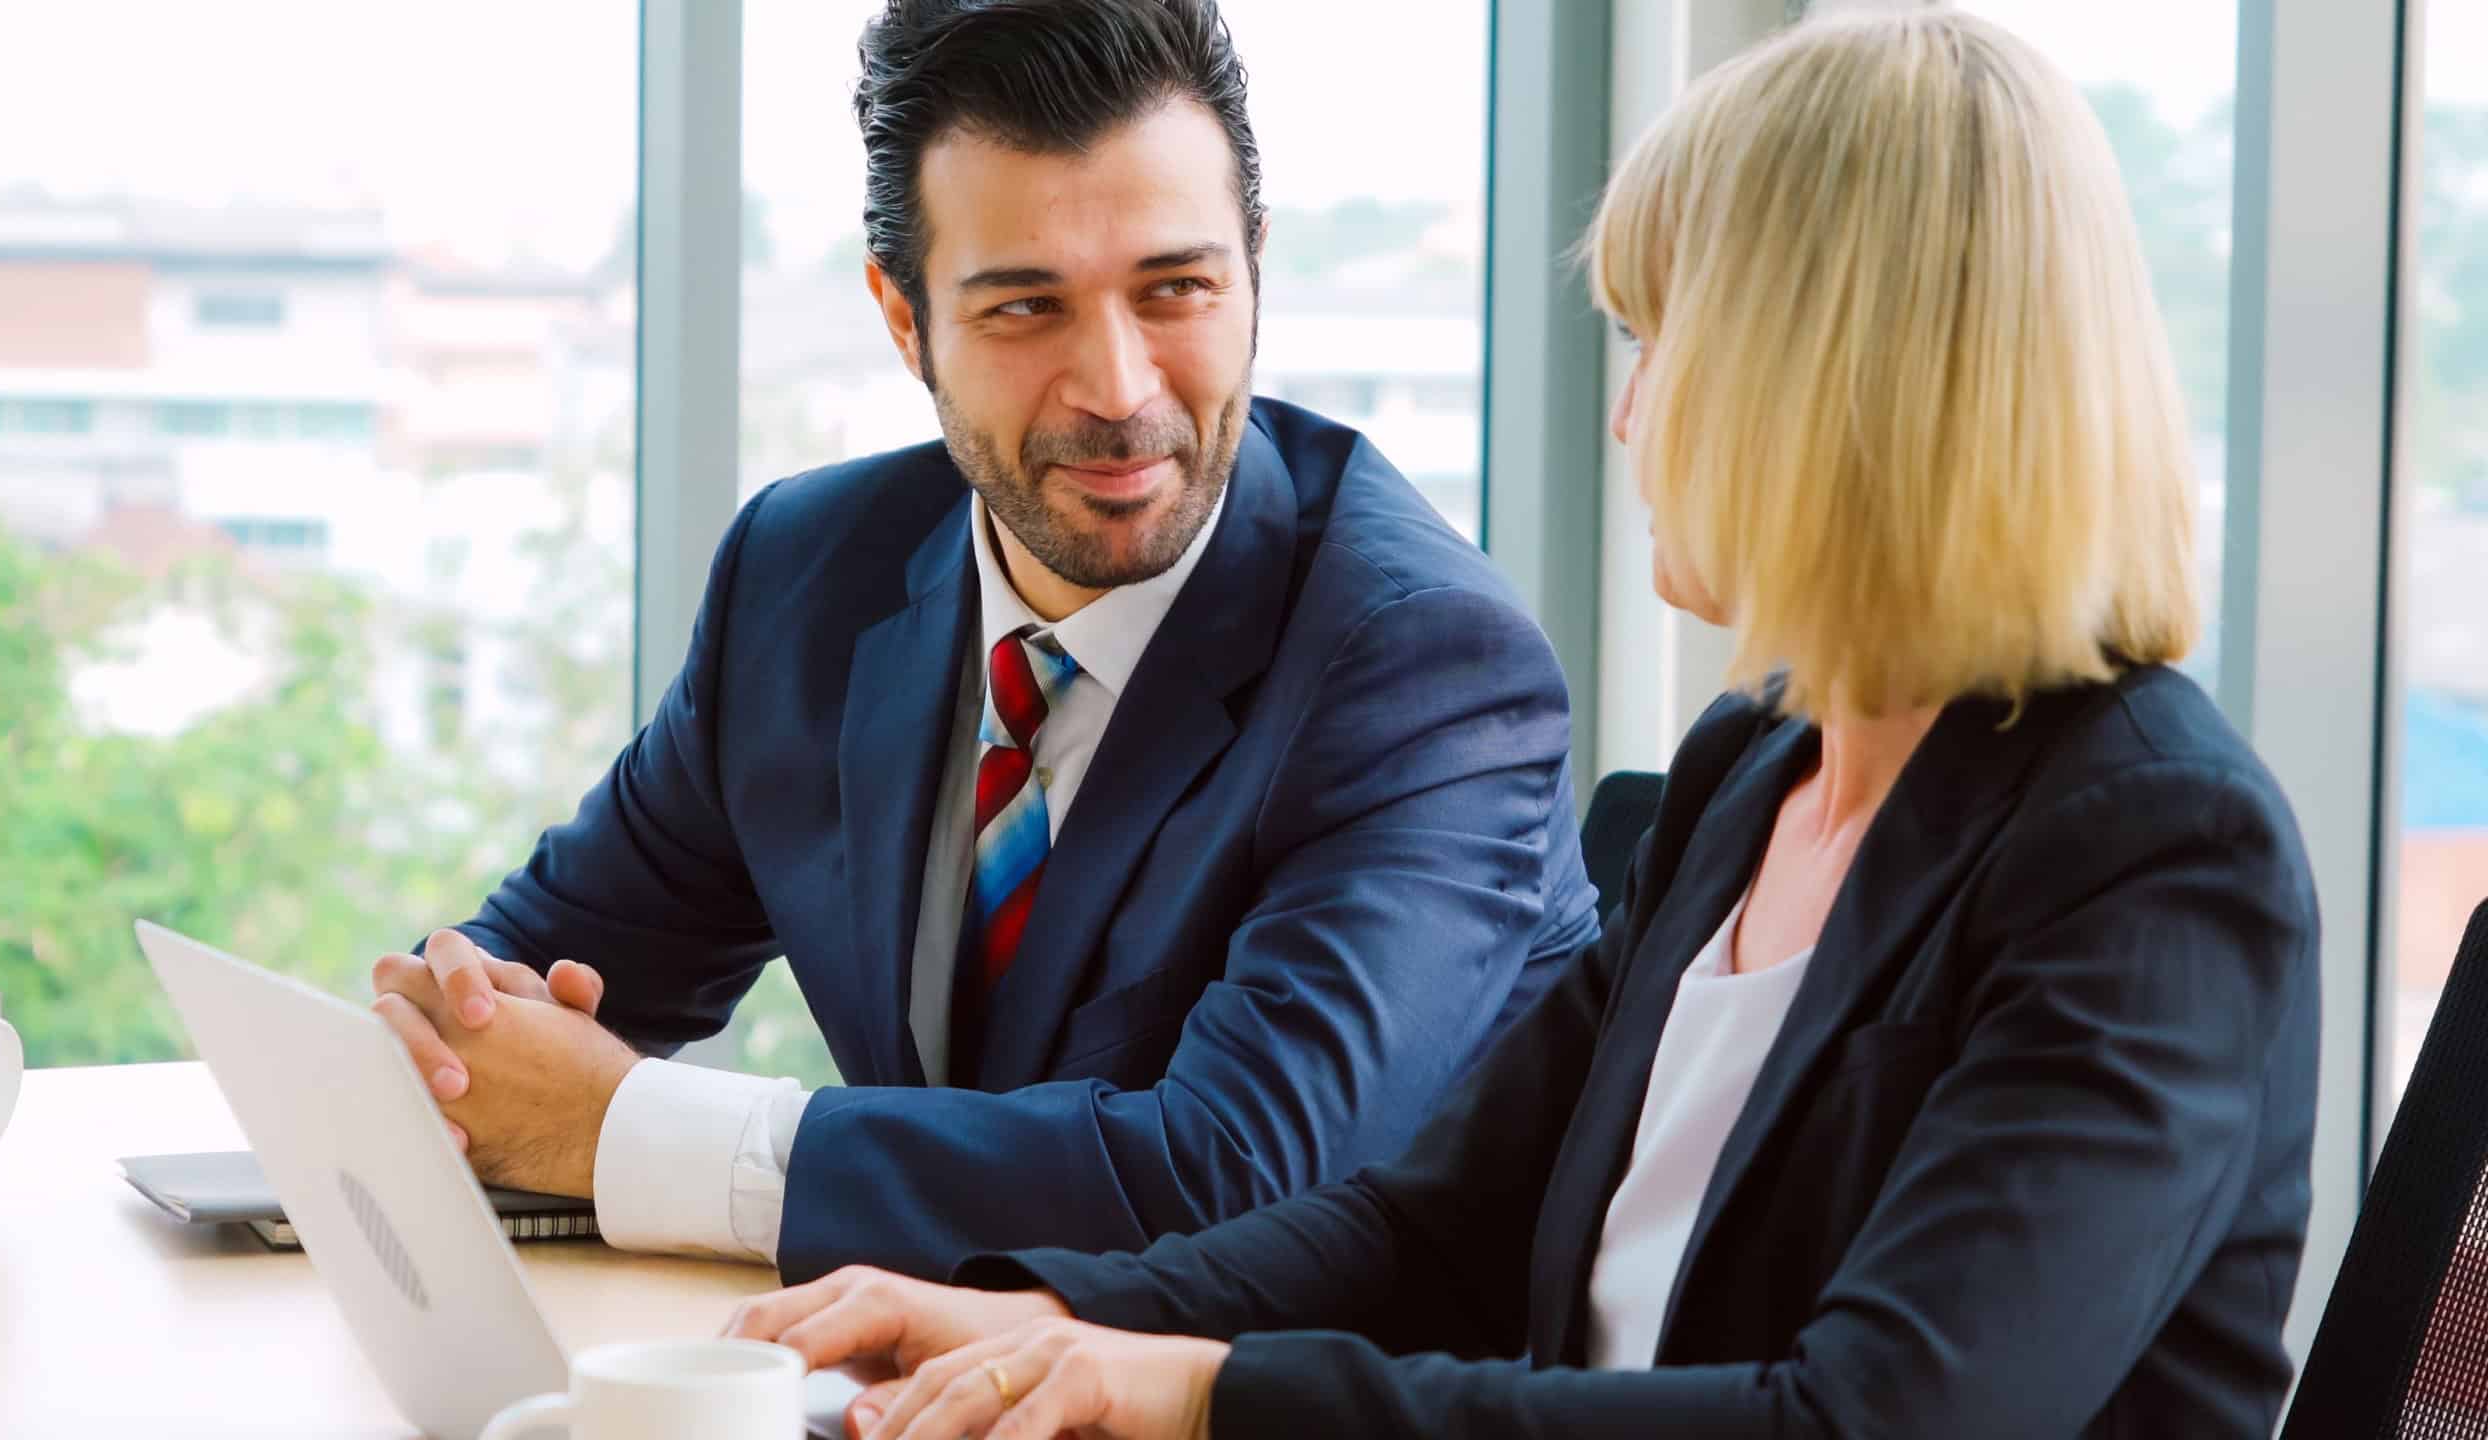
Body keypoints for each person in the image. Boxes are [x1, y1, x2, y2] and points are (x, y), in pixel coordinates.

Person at [719, 12, 2323, 1438]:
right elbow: (1435, 1229)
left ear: (1831, 388)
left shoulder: (2151, 851)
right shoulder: (1756, 780)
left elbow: (1872, 1415)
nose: (1630, 414)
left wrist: (1203, 1391)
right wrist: (1060, 1320)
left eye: (1656, 342)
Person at [361, 0, 1601, 1284]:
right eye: (1025, 309)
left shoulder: (1424, 667)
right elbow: (537, 988)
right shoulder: (803, 576)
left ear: (1254, 269)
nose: (1119, 390)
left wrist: (628, 1132)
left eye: (1175, 289)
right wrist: (450, 1040)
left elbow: (1225, 1176)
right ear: (905, 320)